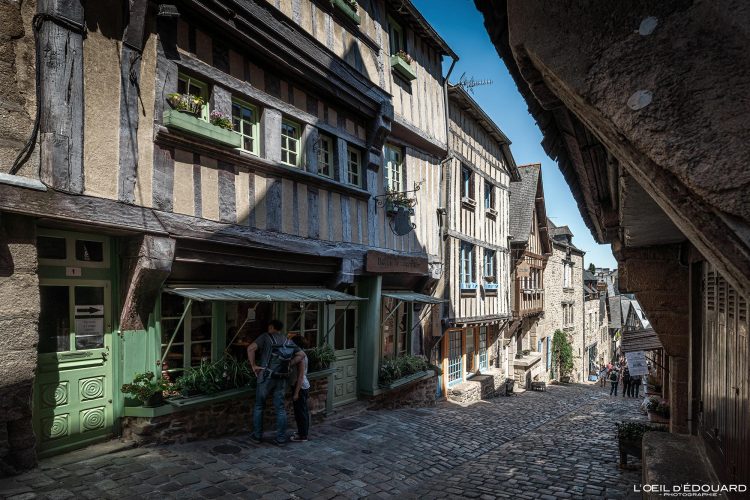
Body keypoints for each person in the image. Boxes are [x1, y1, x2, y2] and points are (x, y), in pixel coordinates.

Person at [247, 320, 306, 445]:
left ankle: (257, 436)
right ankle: (281, 438)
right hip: (282, 378)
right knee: (280, 409)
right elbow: (301, 354)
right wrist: (289, 364)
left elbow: (250, 348)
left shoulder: (265, 337)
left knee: (259, 406)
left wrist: (253, 366)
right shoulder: (287, 341)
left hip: (266, 377)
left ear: (271, 327)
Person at [290, 335, 310, 442]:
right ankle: (302, 432)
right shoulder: (301, 354)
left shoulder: (301, 357)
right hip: (302, 386)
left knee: (300, 412)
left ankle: (303, 435)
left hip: (300, 387)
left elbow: (301, 376)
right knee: (302, 411)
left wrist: (296, 393)